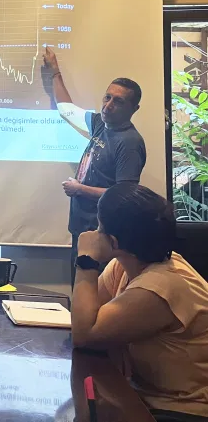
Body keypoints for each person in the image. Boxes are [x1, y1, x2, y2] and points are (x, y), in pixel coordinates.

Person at [71, 183, 208, 419]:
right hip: (142, 396)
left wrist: (86, 259)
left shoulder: (162, 285)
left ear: (113, 242)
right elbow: (88, 318)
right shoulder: (124, 266)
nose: (94, 233)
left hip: (182, 410)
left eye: (98, 226)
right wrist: (113, 342)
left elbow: (83, 334)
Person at [42, 47, 146, 285]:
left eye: (118, 101)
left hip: (104, 236)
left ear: (133, 109)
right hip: (83, 229)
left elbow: (125, 195)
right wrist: (55, 72)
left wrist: (80, 189)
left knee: (94, 296)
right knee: (79, 291)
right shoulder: (101, 123)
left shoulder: (129, 143)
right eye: (107, 97)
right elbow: (67, 110)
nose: (108, 105)